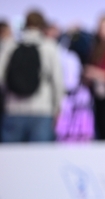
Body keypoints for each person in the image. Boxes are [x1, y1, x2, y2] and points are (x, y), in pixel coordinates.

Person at [0, 10, 65, 143]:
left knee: (11, 156)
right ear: (42, 25)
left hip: (13, 109)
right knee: (40, 156)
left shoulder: (10, 45)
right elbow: (57, 81)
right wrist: (57, 108)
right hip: (42, 110)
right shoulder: (49, 46)